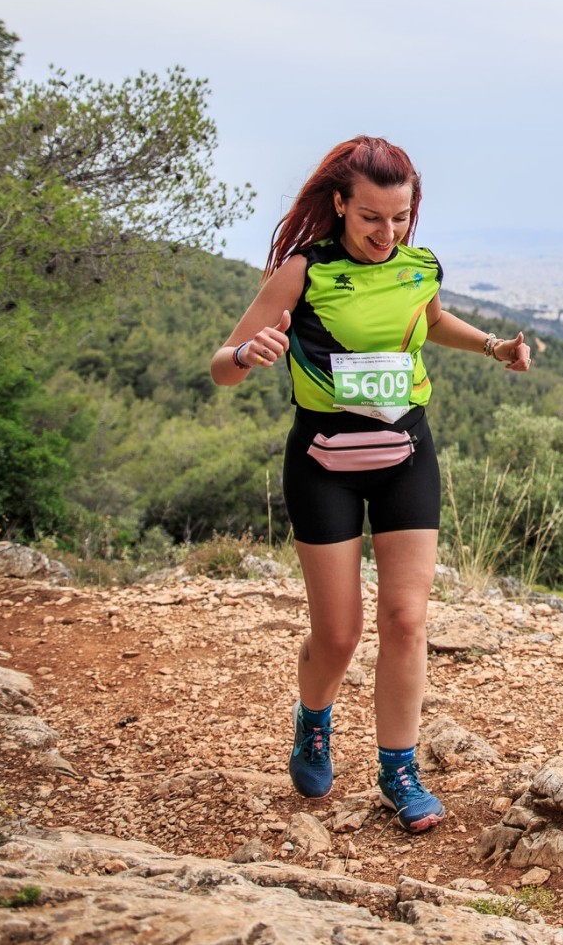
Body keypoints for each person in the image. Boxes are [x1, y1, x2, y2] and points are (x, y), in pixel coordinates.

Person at [210, 136, 530, 833]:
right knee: (339, 631)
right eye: (372, 219)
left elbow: (431, 319)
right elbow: (221, 365)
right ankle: (314, 720)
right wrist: (248, 351)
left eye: (401, 217)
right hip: (323, 458)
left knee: (407, 619)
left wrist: (491, 347)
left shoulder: (420, 267)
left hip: (405, 451)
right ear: (340, 206)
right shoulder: (305, 271)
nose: (389, 234)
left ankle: (399, 768)